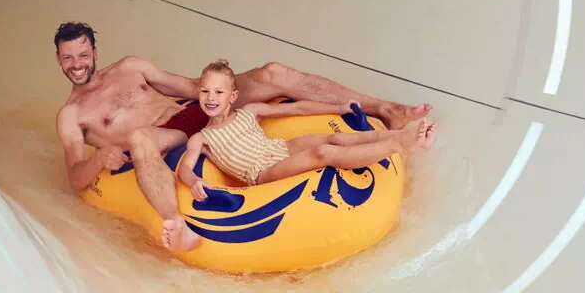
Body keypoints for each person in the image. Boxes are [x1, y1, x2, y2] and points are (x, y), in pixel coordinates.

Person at [53, 21, 432, 252]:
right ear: (59, 60)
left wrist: (222, 87)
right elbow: (74, 176)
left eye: (82, 55)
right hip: (166, 137)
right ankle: (176, 223)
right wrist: (98, 159)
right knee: (139, 136)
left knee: (273, 72)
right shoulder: (72, 115)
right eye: (68, 58)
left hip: (193, 112)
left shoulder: (130, 67)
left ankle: (383, 108)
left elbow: (190, 86)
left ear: (94, 51)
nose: (77, 65)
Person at [177, 60, 435, 198]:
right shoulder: (201, 138)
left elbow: (298, 108)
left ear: (233, 96)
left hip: (279, 148)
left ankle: (399, 134)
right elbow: (185, 169)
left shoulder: (250, 111)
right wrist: (195, 182)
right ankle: (398, 145)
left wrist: (339, 107)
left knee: (335, 138)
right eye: (205, 91)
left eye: (219, 92)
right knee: (322, 152)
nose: (211, 98)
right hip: (262, 172)